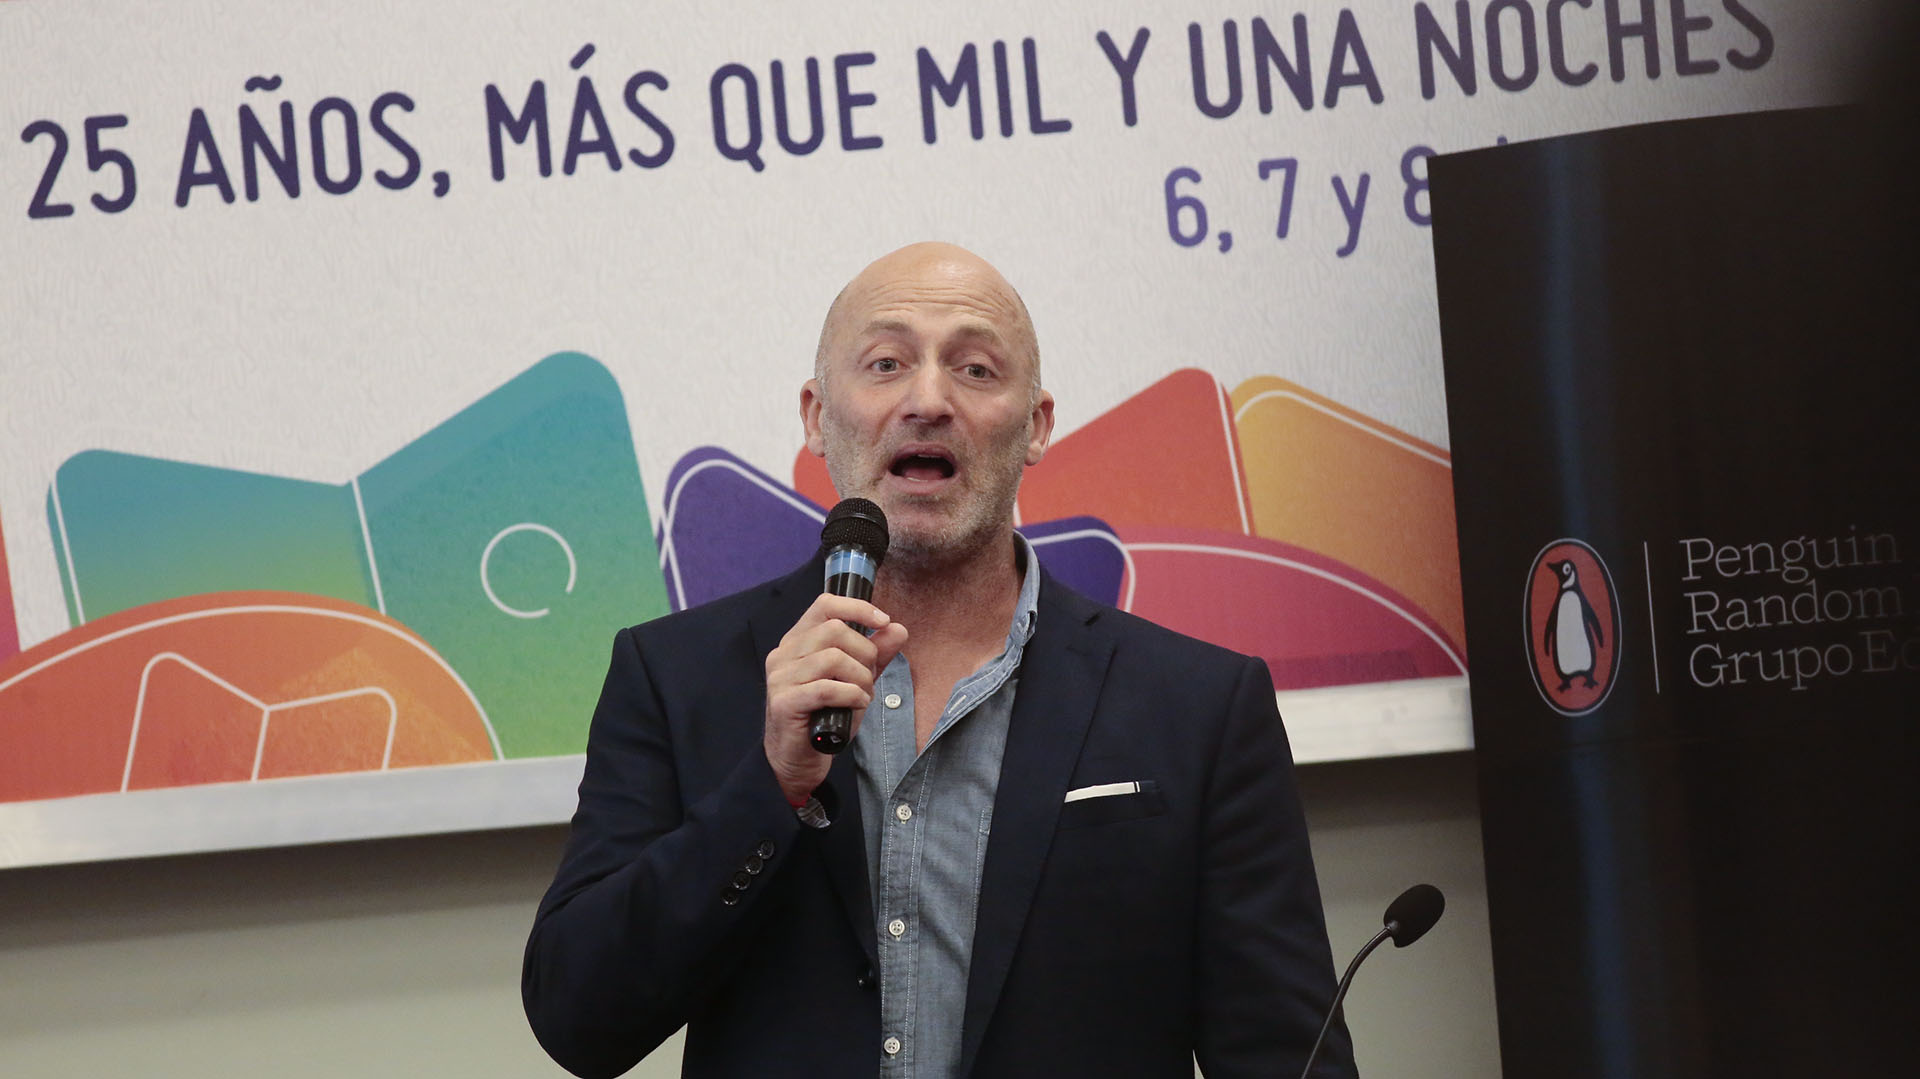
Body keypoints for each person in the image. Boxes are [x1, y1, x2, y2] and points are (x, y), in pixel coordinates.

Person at [522, 242, 1356, 1078]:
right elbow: (579, 1017)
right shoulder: (676, 676)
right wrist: (768, 787)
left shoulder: (1200, 706)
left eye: (977, 370)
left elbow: (1289, 1055)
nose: (928, 399)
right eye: (886, 363)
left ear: (1035, 427)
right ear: (817, 416)